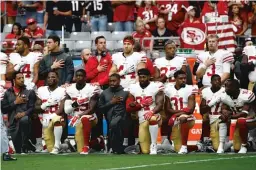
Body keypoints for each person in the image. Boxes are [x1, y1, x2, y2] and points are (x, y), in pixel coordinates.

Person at [208, 79, 256, 154]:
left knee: (241, 120)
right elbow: (224, 107)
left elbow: (244, 113)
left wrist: (230, 116)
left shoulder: (246, 95)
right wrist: (224, 112)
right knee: (236, 148)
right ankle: (222, 145)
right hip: (239, 120)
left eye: (228, 87)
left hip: (252, 119)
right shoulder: (225, 95)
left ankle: (244, 145)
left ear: (235, 88)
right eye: (225, 86)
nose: (225, 88)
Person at [126, 68, 164, 155]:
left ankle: (154, 144)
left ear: (149, 77)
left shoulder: (156, 86)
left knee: (152, 118)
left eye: (144, 77)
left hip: (153, 115)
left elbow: (160, 104)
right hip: (141, 119)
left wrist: (152, 112)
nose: (142, 79)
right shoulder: (133, 87)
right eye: (140, 77)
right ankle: (163, 147)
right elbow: (128, 108)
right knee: (145, 151)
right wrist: (140, 105)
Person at [64, 69, 101, 154]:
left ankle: (86, 146)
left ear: (85, 77)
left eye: (81, 76)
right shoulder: (69, 89)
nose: (79, 77)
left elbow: (91, 109)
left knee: (84, 118)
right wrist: (77, 103)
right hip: (77, 119)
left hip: (90, 117)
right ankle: (98, 141)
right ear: (74, 77)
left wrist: (79, 116)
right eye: (77, 76)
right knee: (79, 150)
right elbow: (66, 110)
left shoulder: (92, 88)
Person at [1, 72, 36, 154]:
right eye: (19, 78)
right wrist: (15, 102)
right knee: (18, 150)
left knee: (24, 120)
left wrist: (24, 113)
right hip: (13, 122)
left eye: (22, 78)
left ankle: (25, 142)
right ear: (14, 80)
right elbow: (4, 109)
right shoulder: (7, 93)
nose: (22, 80)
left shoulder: (29, 92)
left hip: (26, 120)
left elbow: (32, 108)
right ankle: (27, 144)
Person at [34, 71, 68, 154]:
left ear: (58, 79)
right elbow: (36, 108)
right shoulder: (41, 90)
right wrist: (45, 104)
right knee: (50, 149)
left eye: (53, 77)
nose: (50, 79)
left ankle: (57, 146)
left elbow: (61, 109)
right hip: (45, 121)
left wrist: (51, 117)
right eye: (48, 77)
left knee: (56, 119)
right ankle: (65, 146)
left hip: (58, 118)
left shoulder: (62, 90)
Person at [164, 70, 197, 154]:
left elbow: (190, 110)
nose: (183, 80)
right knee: (177, 149)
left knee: (182, 118)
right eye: (180, 78)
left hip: (188, 118)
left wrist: (175, 115)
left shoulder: (190, 89)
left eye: (184, 78)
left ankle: (184, 146)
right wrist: (180, 112)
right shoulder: (169, 89)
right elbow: (167, 109)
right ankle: (198, 146)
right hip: (176, 119)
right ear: (175, 79)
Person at [98, 73, 129, 154]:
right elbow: (100, 108)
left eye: (114, 81)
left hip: (123, 118)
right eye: (110, 81)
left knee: (115, 124)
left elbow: (129, 105)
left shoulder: (125, 92)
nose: (112, 83)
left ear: (119, 81)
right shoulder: (104, 93)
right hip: (109, 119)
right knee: (112, 126)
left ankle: (118, 147)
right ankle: (114, 148)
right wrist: (111, 102)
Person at [200, 74, 230, 153]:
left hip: (221, 116)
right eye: (215, 80)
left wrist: (224, 112)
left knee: (226, 116)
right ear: (211, 82)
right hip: (211, 117)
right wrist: (211, 104)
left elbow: (227, 107)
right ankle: (206, 141)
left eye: (219, 80)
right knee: (205, 118)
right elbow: (201, 110)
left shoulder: (224, 90)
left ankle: (227, 142)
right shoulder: (205, 91)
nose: (217, 82)